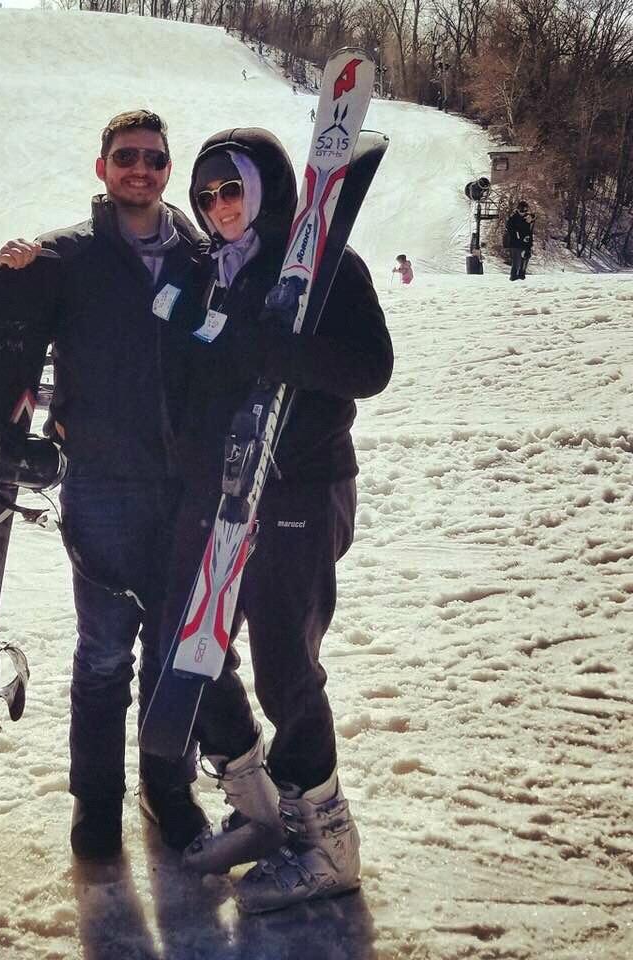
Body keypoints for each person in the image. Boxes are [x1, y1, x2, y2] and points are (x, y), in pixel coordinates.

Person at [159, 129, 393, 913]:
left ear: (263, 190)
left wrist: (271, 349)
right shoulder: (211, 276)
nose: (219, 207)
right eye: (206, 196)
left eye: (231, 189)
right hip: (226, 492)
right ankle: (259, 809)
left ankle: (327, 844)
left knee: (286, 666)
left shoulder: (326, 268)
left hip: (303, 489)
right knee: (195, 644)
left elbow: (370, 368)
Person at [0, 110, 212, 862]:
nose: (140, 169)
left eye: (154, 159)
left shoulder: (200, 257)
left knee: (174, 651)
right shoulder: (67, 257)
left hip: (185, 485)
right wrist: (11, 267)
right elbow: (9, 333)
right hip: (103, 482)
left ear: (169, 169)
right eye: (126, 156)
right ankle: (97, 801)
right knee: (104, 652)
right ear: (102, 166)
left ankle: (168, 789)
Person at [505, 201, 534, 281]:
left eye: (525, 210)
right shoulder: (513, 218)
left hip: (526, 243)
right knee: (516, 260)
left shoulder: (527, 218)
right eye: (522, 209)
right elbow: (511, 230)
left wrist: (531, 218)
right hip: (516, 243)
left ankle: (521, 275)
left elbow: (529, 230)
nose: (523, 212)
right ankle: (514, 276)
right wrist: (519, 237)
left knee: (526, 258)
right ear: (518, 209)